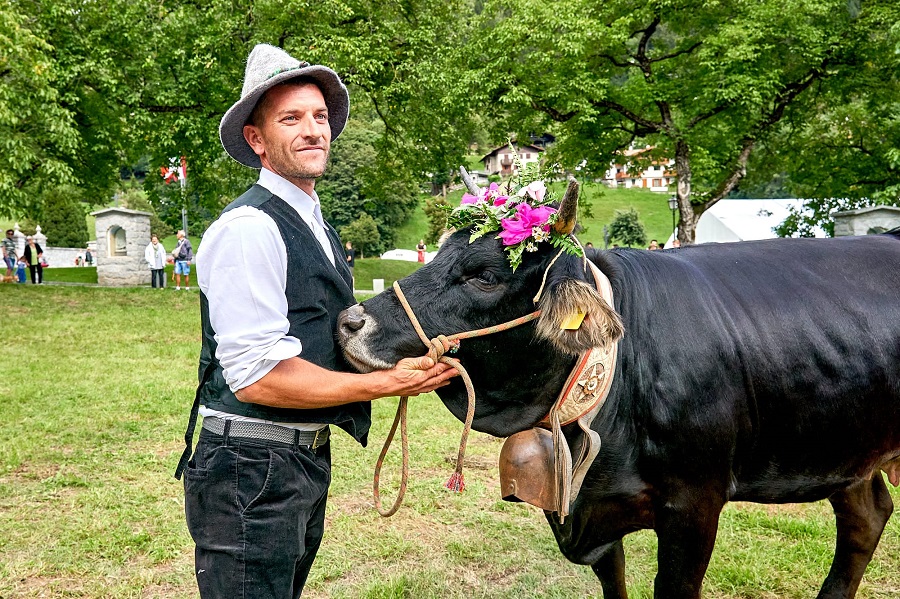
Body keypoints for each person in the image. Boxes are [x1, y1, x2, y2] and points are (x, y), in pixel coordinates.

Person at [175, 43, 457, 599]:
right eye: (291, 119)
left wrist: (408, 355)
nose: (313, 130)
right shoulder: (249, 229)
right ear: (256, 140)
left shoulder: (316, 225)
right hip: (248, 465)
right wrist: (385, 383)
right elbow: (258, 377)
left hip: (296, 457)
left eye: (320, 117)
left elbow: (327, 334)